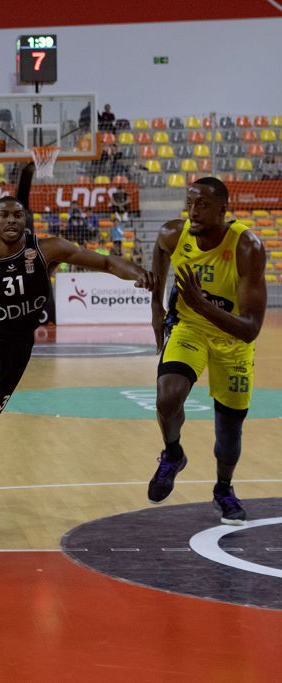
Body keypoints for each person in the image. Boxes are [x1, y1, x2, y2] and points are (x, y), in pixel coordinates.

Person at [0, 196, 155, 538]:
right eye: (4, 215)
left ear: (26, 219)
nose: (11, 220)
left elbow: (104, 262)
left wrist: (138, 274)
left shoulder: (48, 250)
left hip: (19, 346)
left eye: (18, 214)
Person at [147, 178, 266, 524]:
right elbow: (160, 248)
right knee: (167, 397)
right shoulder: (175, 233)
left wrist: (201, 304)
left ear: (222, 209)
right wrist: (156, 305)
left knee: (228, 433)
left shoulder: (247, 247)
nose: (193, 212)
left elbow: (250, 328)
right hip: (191, 329)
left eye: (202, 205)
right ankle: (173, 454)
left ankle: (223, 489)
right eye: (190, 203)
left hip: (233, 341)